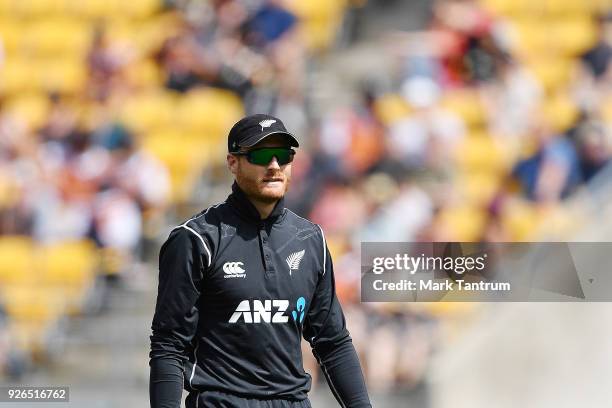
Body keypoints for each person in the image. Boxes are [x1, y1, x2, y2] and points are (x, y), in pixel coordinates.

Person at [149, 114, 372, 408]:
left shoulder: (311, 238)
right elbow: (169, 345)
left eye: (283, 156)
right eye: (261, 155)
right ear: (233, 163)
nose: (274, 166)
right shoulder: (196, 239)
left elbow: (332, 342)